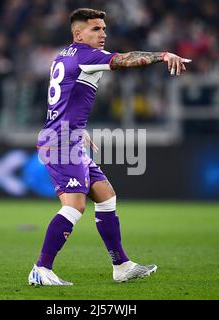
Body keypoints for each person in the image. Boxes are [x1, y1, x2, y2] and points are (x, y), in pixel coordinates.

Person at [29, 8, 191, 286]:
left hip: (67, 137)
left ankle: (121, 265)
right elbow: (126, 60)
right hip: (61, 142)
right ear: (78, 33)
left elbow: (65, 100)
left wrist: (78, 131)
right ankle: (41, 269)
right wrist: (163, 55)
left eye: (104, 28)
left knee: (105, 196)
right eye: (96, 29)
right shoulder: (86, 56)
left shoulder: (64, 55)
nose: (103, 34)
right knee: (74, 206)